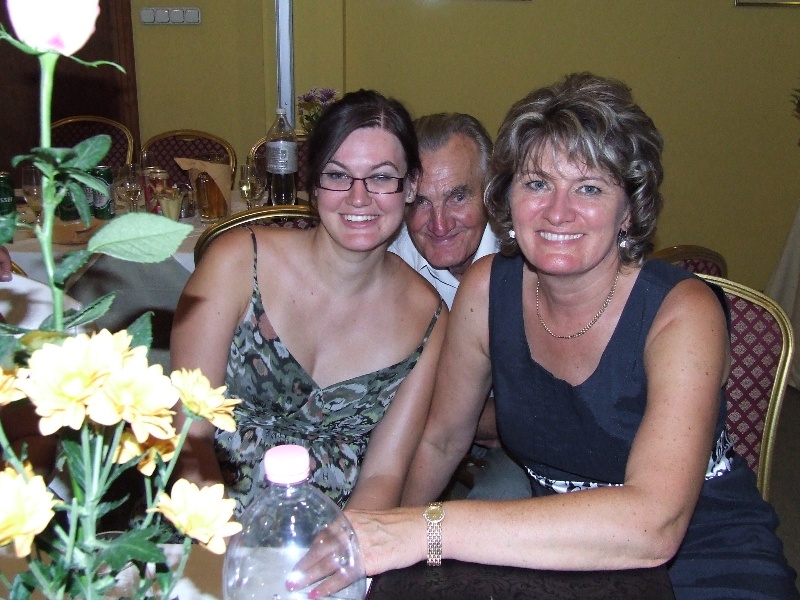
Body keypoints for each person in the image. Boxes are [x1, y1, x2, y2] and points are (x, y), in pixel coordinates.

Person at [346, 73, 798, 599]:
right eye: (537, 184)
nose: (558, 213)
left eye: (589, 188)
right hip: (561, 557)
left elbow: (653, 525)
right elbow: (442, 439)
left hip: (705, 556)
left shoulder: (681, 311)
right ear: (507, 199)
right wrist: (381, 564)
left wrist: (423, 531)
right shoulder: (487, 289)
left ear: (629, 209)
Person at [170, 89, 447, 516]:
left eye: (381, 177)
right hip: (207, 518)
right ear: (313, 185)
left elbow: (383, 476)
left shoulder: (427, 317)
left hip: (337, 533)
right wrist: (219, 538)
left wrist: (339, 547)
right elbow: (188, 434)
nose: (359, 197)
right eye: (337, 175)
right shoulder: (237, 262)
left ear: (409, 187)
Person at [389, 113, 530, 500]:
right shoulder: (390, 259)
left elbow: (539, 415)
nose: (439, 224)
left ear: (491, 192)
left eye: (457, 197)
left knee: (499, 503)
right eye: (421, 201)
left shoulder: (529, 260)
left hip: (525, 445)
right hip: (424, 429)